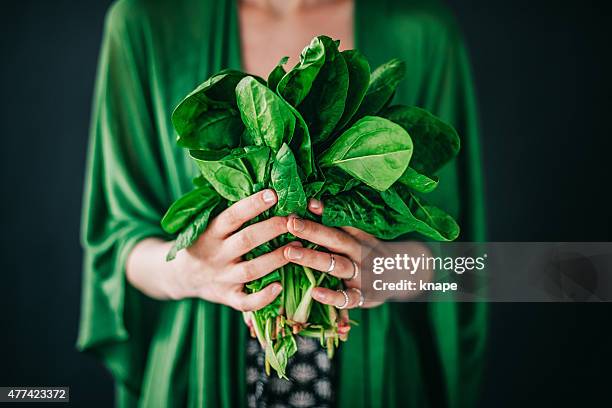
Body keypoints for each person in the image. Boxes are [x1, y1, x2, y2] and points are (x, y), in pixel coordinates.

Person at [78, 0, 486, 406]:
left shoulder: (423, 31)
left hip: (377, 375)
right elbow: (117, 243)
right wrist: (190, 271)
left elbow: (464, 262)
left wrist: (388, 270)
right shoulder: (144, 22)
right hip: (199, 373)